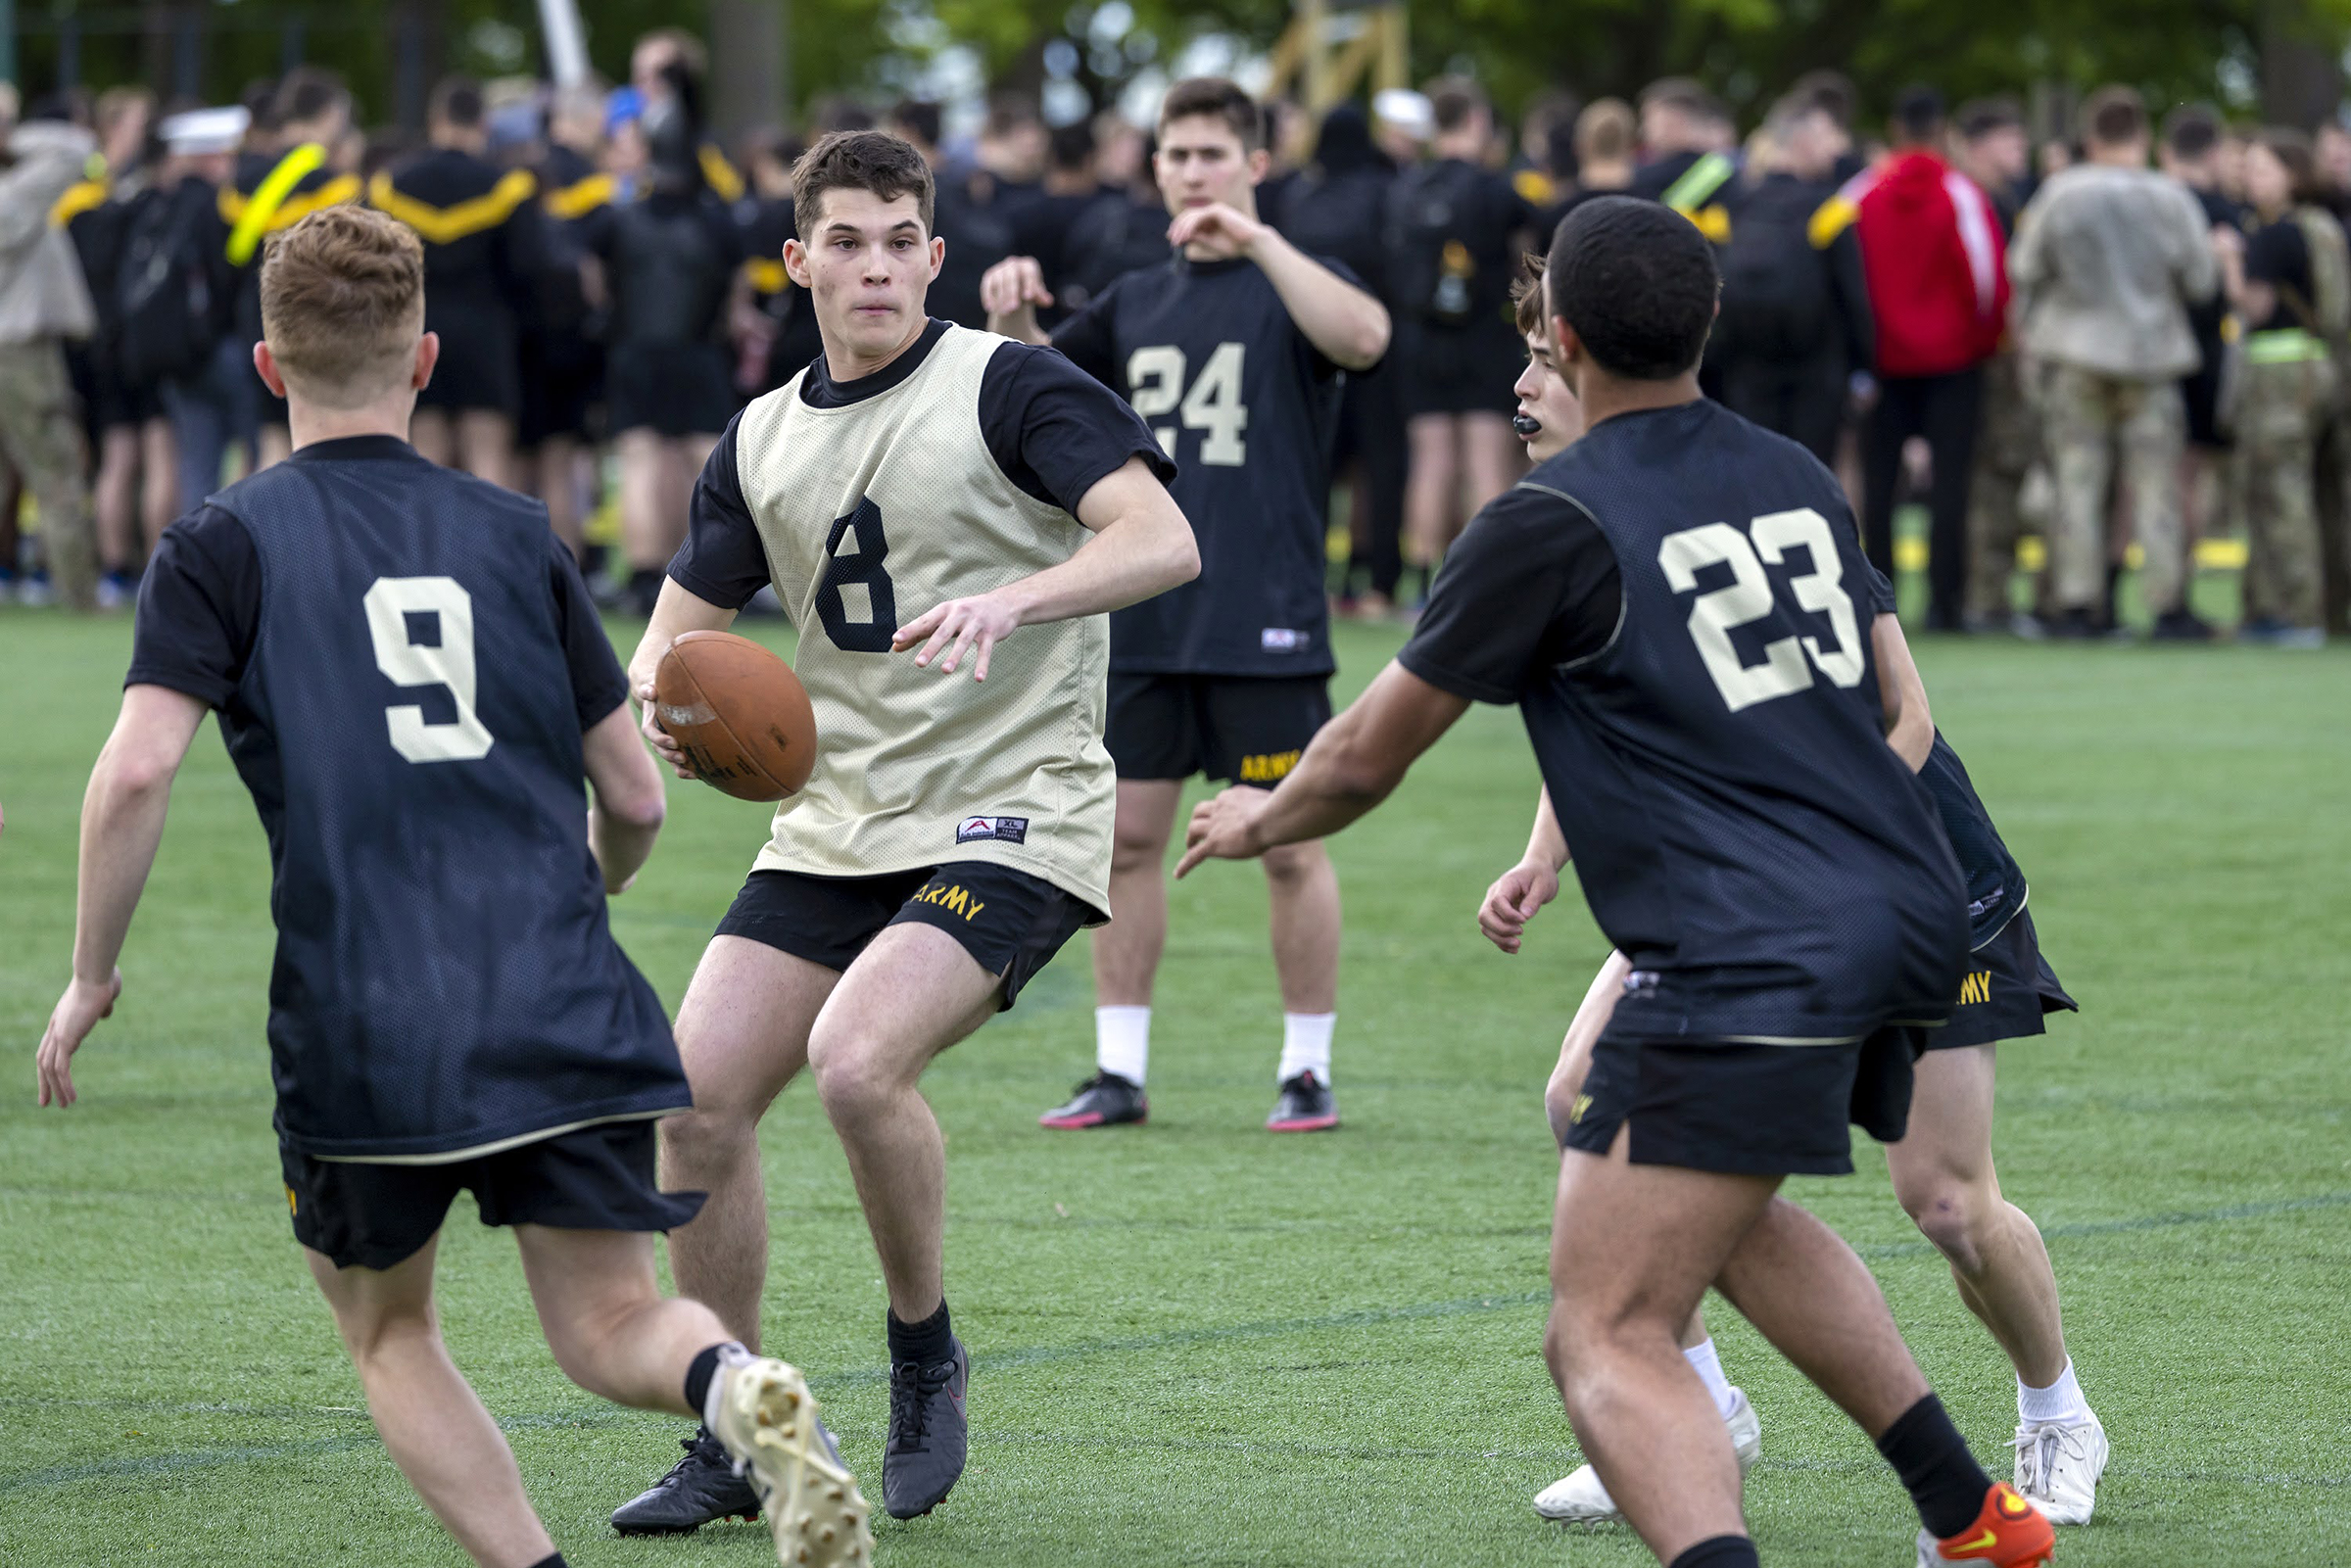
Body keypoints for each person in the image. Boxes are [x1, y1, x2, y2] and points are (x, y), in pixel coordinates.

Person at [1178, 196, 2055, 1568]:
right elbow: (1892, 709)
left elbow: (1364, 757)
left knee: (1605, 1326)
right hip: (1905, 904)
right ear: (1706, 326)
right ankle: (1970, 1511)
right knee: (1712, 1201)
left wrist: (1256, 815)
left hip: (1752, 946)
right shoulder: (1795, 473)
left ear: (1564, 341)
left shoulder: (1547, 521)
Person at [31, 204, 870, 1568]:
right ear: (425, 361)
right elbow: (640, 794)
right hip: (561, 987)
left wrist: (91, 975)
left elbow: (132, 778)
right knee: (613, 1328)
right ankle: (734, 1385)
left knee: (391, 1330)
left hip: (366, 1011)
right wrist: (582, 899)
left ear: (264, 366)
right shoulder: (517, 533)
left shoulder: (221, 544)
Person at [607, 128, 1196, 1532]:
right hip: (836, 818)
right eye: (846, 244)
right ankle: (736, 1427)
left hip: (1012, 808)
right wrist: (672, 718)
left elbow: (1161, 538)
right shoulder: (759, 436)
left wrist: (1021, 599)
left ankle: (924, 1357)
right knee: (691, 1104)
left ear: (933, 258)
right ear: (798, 262)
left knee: (858, 1064)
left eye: (898, 243)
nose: (874, 267)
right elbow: (671, 644)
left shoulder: (1013, 387)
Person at [1495, 261, 2105, 1536]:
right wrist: (1546, 856)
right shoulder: (1575, 521)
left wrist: (1803, 850)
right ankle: (1699, 1398)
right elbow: (1623, 718)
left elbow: (1906, 719)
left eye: (1542, 368)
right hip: (1745, 899)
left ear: (1587, 368)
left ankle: (2056, 1412)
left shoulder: (1754, 491)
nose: (1522, 391)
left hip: (1912, 879)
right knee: (1584, 1102)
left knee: (1944, 1197)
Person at [983, 75, 1389, 1133]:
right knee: (1124, 841)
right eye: (1175, 155)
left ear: (1255, 165)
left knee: (1291, 840)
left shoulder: (1296, 279)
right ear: (1153, 168)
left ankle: (1307, 1066)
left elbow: (1365, 339)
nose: (1191, 172)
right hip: (1151, 615)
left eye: (1212, 153)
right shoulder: (1133, 298)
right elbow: (1038, 397)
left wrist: (1257, 242)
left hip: (1268, 610)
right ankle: (1120, 1067)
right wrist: (1018, 318)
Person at [2008, 86, 2219, 640]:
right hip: (2151, 356)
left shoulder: (2060, 193)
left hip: (2075, 352)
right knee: (2157, 486)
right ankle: (2167, 602)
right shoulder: (2170, 198)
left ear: (2089, 135)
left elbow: (2025, 269)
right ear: (2143, 136)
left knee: (2076, 482)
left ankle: (2078, 603)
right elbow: (2202, 281)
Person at [583, 50, 746, 615]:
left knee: (639, 458)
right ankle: (714, 568)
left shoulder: (617, 219)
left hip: (635, 349)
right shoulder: (717, 220)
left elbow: (594, 280)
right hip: (698, 350)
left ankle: (645, 576)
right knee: (707, 459)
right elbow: (738, 288)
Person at [1851, 86, 2009, 633]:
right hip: (1953, 361)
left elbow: (1845, 274)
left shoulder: (1862, 192)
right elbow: (1987, 282)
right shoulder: (1961, 193)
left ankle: (1879, 602)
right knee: (1951, 484)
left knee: (1879, 486)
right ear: (1942, 131)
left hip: (1882, 361)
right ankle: (1946, 603)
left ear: (1896, 129)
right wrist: (1982, 343)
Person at [1389, 77, 1535, 583]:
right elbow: (1530, 259)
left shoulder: (1408, 186)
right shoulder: (1496, 189)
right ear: (1476, 121)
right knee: (1484, 458)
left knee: (1431, 459)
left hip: (1419, 339)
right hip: (1482, 339)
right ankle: (1486, 582)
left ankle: (1421, 583)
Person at [369, 75, 536, 489]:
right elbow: (529, 270)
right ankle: (489, 553)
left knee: (425, 454)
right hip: (486, 331)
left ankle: (425, 553)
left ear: (435, 121)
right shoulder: (506, 187)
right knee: (488, 455)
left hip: (418, 329)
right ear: (483, 124)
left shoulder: (392, 185)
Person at [1276, 103, 1408, 617]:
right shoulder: (1385, 192)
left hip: (1311, 347)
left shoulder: (1298, 197)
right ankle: (1381, 582)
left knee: (1316, 463)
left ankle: (1312, 577)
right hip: (1377, 342)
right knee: (1383, 464)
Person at [2221, 129, 2341, 647]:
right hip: (2313, 371)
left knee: (2280, 496)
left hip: (2279, 377)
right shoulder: (2316, 227)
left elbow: (2256, 307)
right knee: (2294, 491)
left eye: (2264, 168)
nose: (2251, 177)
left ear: (2292, 176)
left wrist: (2229, 262)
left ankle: (2295, 612)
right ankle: (2296, 609)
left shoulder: (2273, 235)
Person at [1710, 93, 1872, 466]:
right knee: (1810, 475)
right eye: (1826, 139)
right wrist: (1863, 367)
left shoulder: (1731, 205)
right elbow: (1853, 299)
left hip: (1746, 370)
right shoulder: (1829, 209)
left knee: (1756, 474)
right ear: (1802, 142)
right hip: (1817, 371)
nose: (1834, 151)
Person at [223, 69, 360, 476]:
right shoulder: (332, 183)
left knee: (267, 437)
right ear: (331, 115)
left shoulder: (240, 183)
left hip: (255, 317)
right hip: (318, 319)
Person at [0, 89, 102, 610]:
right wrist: (11, 129)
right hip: (20, 351)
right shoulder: (17, 194)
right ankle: (78, 592)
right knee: (56, 469)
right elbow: (76, 149)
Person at [1950, 97, 2045, 633]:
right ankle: (1987, 595)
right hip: (1989, 357)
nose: (2020, 152)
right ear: (1978, 145)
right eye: (2010, 142)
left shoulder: (2006, 198)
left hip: (1987, 355)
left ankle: (1987, 591)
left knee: (2000, 473)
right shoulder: (1975, 200)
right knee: (1996, 475)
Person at [520, 84, 613, 559]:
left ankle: (514, 567)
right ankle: (569, 569)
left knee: (519, 463)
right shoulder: (596, 184)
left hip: (522, 340)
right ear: (585, 118)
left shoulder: (520, 175)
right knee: (564, 460)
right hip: (574, 339)